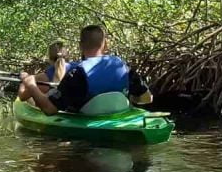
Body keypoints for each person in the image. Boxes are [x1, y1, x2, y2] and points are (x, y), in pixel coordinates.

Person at [19, 25, 152, 115]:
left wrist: (30, 84)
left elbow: (50, 109)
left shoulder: (76, 73)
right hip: (119, 117)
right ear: (106, 44)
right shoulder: (122, 67)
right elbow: (148, 98)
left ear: (80, 46)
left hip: (89, 121)